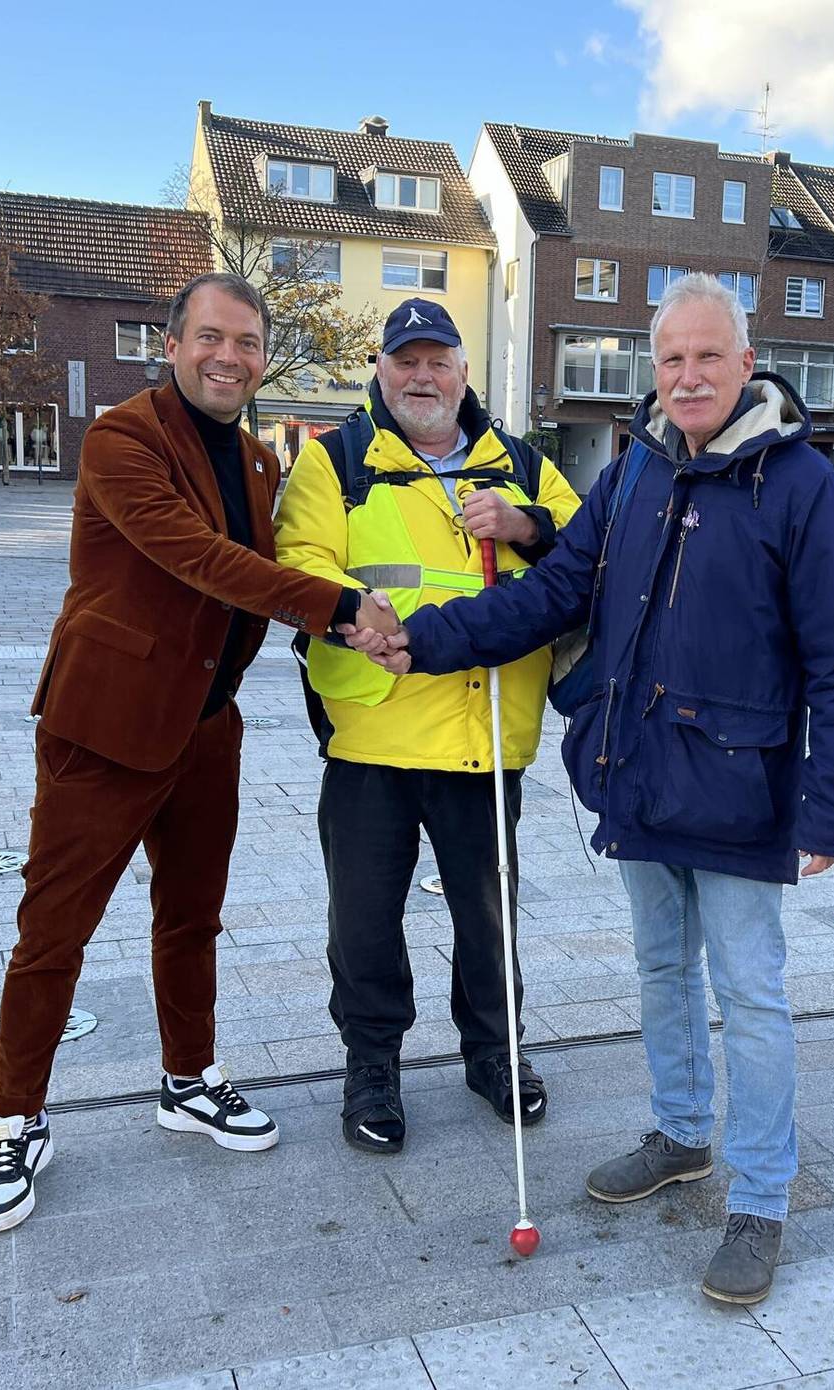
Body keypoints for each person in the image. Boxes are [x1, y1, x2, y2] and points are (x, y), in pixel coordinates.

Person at [349, 272, 834, 1304]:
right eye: (670, 359)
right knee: (659, 970)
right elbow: (552, 591)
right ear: (654, 366)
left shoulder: (800, 483)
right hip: (637, 775)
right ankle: (681, 1132)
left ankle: (761, 1196)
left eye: (707, 357)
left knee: (751, 996)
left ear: (743, 360)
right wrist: (426, 637)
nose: (687, 377)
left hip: (742, 789)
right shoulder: (631, 472)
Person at [0, 272, 400, 1234]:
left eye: (247, 343)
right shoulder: (121, 438)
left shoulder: (256, 461)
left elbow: (275, 571)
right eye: (211, 337)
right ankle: (16, 1119)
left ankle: (189, 1079)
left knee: (192, 918)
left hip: (207, 728)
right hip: (105, 728)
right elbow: (193, 556)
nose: (229, 357)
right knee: (54, 932)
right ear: (172, 344)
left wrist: (363, 618)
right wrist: (339, 610)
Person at [274, 299, 581, 1154]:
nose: (422, 376)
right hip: (372, 733)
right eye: (405, 360)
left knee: (490, 917)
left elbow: (590, 550)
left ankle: (494, 1052)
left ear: (464, 373)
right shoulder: (332, 462)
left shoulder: (520, 462)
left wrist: (524, 524)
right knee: (364, 917)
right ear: (380, 370)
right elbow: (299, 565)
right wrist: (357, 611)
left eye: (438, 360)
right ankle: (372, 1065)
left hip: (486, 736)